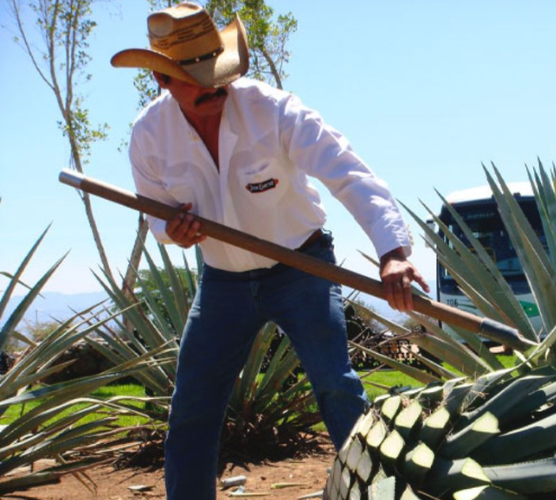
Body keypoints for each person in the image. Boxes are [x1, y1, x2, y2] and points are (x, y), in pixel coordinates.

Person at [111, 3, 429, 499]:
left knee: (335, 386)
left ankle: (378, 494)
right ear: (161, 80)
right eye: (196, 79)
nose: (215, 86)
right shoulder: (149, 135)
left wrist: (392, 250)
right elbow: (159, 216)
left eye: (217, 73)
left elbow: (349, 174)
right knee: (192, 405)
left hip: (301, 267)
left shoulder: (275, 110)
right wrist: (177, 231)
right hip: (222, 281)